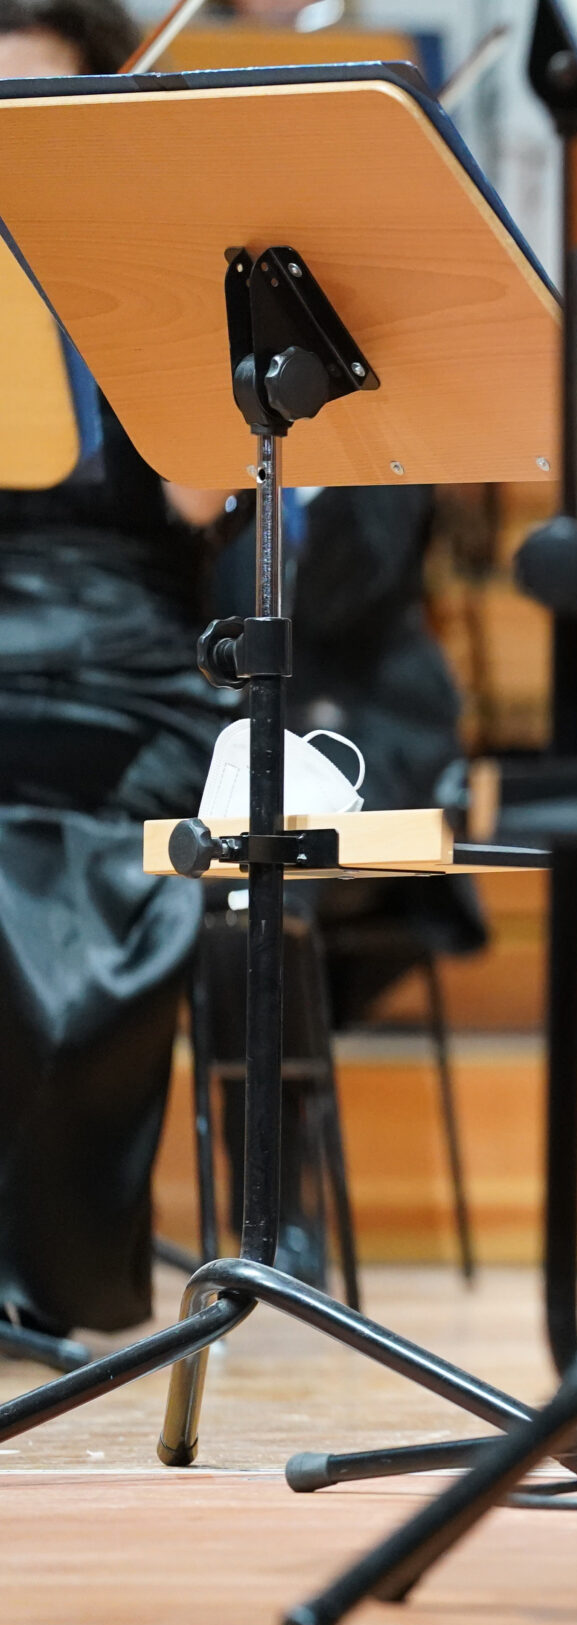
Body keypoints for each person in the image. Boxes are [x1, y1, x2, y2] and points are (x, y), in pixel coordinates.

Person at [0, 0, 231, 1348]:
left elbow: (203, 502)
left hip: (127, 665)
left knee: (35, 827)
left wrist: (130, 287)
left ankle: (46, 1257)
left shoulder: (152, 260)